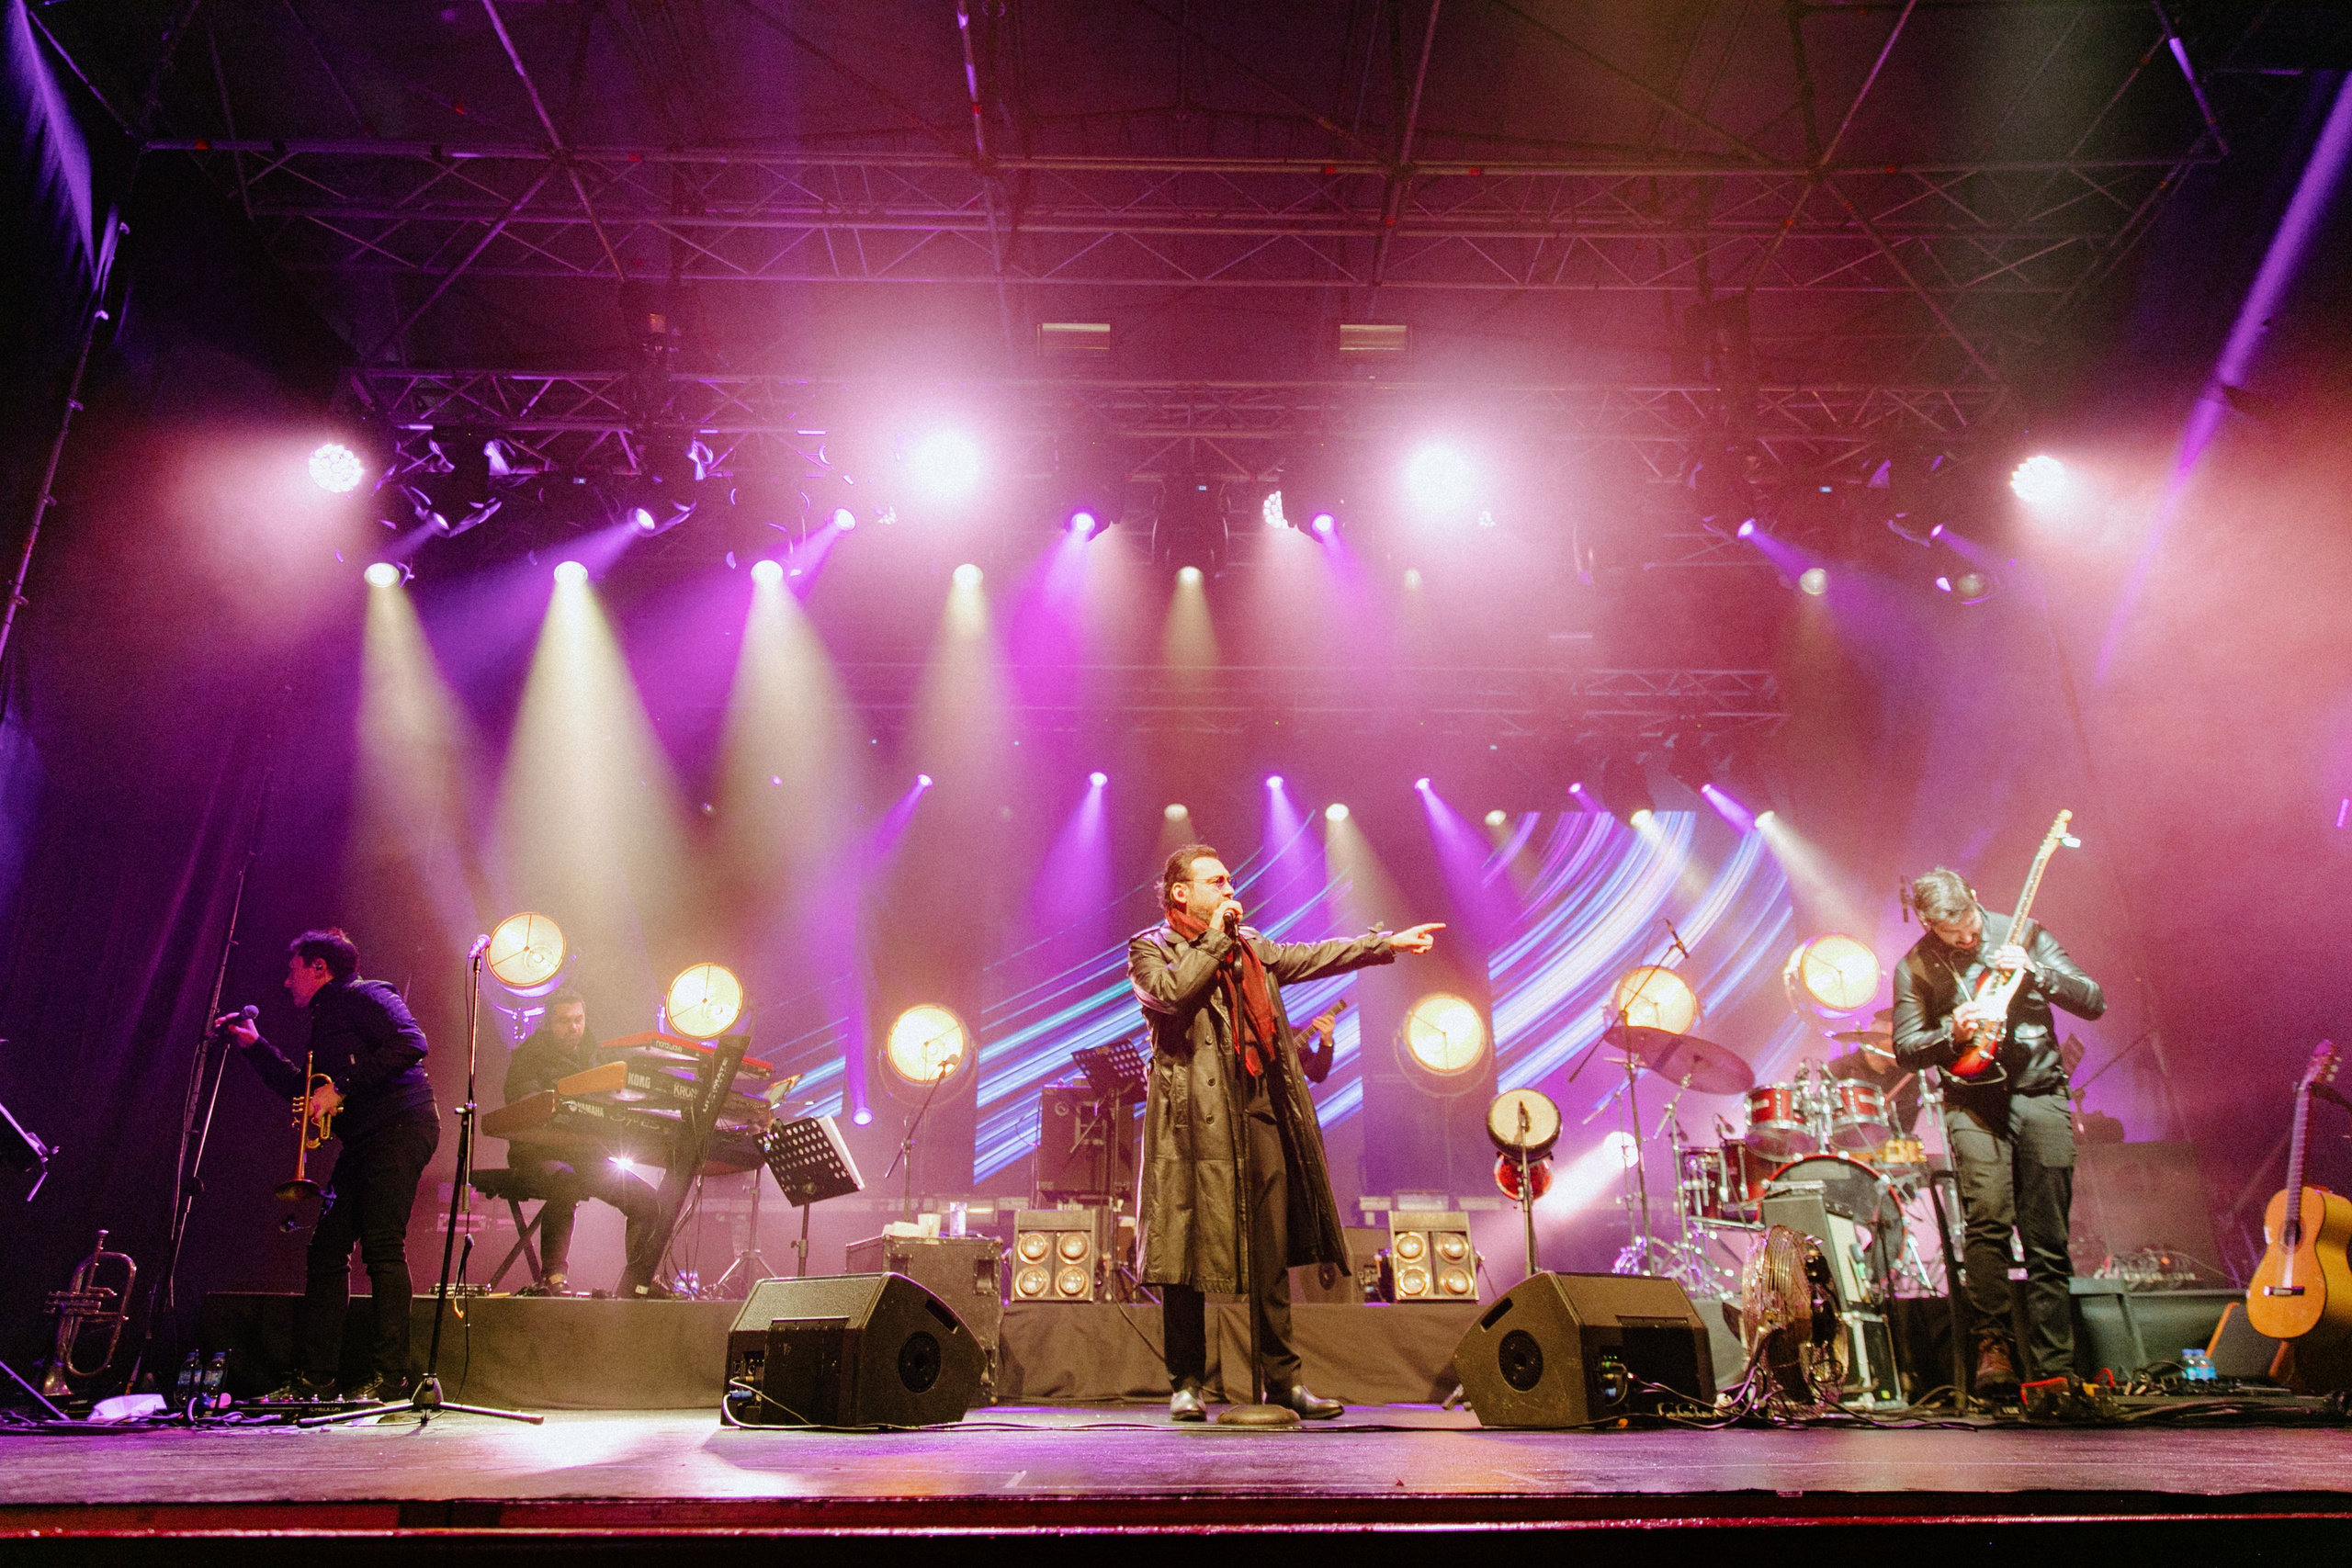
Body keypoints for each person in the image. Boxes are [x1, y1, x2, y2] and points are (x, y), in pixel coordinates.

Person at [1129, 843, 1444, 1422]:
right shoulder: (1152, 948)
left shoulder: (1252, 947)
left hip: (1257, 1108)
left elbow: (1314, 956)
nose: (1229, 888)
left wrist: (1385, 945)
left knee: (1270, 1247)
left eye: (1229, 881)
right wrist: (1218, 940)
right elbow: (1170, 995)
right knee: (1186, 1247)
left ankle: (1283, 1382)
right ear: (1182, 893)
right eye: (1216, 881)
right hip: (1194, 1124)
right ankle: (1187, 1383)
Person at [1890, 867, 2105, 1398]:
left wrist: (2034, 973)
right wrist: (1950, 1032)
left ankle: (2056, 1365)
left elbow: (2093, 1000)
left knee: (2047, 1236)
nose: (1965, 936)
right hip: (1971, 1102)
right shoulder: (1915, 965)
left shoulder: (2024, 932)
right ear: (1924, 922)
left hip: (2041, 1094)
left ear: (1974, 898)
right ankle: (1994, 1349)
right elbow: (1905, 1047)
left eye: (1966, 920)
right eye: (1948, 929)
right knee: (1986, 1223)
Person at [220, 929, 438, 1403]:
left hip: (401, 1126)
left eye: (293, 970)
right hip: (364, 1139)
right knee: (325, 1251)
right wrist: (255, 1047)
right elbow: (306, 1088)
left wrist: (339, 1089)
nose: (285, 982)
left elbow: (411, 1043)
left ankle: (393, 1379)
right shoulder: (326, 1019)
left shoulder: (368, 994)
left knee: (382, 1245)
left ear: (320, 968)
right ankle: (316, 1380)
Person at [498, 990, 662, 1295]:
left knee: (648, 1201)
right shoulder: (527, 1056)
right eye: (564, 1021)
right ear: (547, 1023)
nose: (574, 1028)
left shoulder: (596, 1056)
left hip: (586, 1157)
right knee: (565, 1181)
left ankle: (640, 1282)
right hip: (536, 1155)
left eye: (579, 1020)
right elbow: (525, 1105)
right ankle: (553, 1277)